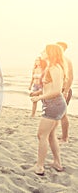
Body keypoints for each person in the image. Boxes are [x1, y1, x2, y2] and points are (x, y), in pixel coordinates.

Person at [31, 44, 67, 175]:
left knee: (41, 135)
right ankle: (57, 163)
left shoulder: (54, 68)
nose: (42, 52)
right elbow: (51, 87)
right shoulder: (50, 67)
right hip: (53, 104)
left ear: (50, 53)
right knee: (51, 135)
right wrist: (39, 92)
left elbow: (57, 91)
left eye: (44, 50)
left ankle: (39, 166)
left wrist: (39, 97)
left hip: (54, 105)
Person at [57, 42, 73, 143]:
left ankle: (65, 138)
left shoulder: (67, 61)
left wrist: (66, 91)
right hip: (54, 90)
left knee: (63, 114)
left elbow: (71, 78)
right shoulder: (55, 60)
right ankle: (59, 135)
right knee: (54, 114)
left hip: (63, 90)